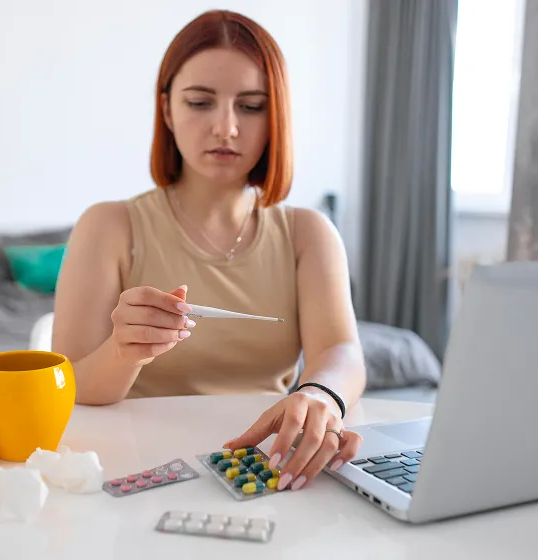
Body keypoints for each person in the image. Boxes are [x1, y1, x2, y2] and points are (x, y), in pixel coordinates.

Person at [52, 9, 366, 491]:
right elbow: (71, 387)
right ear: (167, 110)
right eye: (200, 102)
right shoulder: (108, 226)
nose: (226, 128)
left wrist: (322, 393)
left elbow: (342, 350)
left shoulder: (309, 233)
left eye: (251, 106)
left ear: (275, 115)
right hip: (141, 474)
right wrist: (124, 350)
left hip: (268, 472)